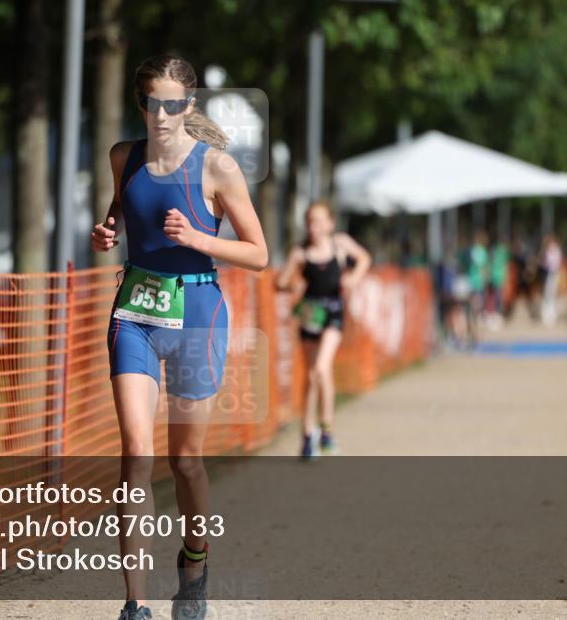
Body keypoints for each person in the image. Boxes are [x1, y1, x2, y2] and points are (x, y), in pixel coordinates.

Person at [91, 54, 268, 620]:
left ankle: (194, 566)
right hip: (137, 312)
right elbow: (123, 210)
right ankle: (134, 605)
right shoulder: (124, 157)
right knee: (136, 454)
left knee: (184, 461)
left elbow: (259, 254)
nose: (161, 114)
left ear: (188, 106)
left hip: (198, 312)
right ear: (139, 104)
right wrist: (108, 229)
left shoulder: (217, 168)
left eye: (172, 104)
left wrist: (199, 238)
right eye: (151, 103)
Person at [275, 201, 371, 459]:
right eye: (309, 222)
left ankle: (326, 429)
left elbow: (364, 258)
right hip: (309, 314)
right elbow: (280, 281)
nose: (313, 227)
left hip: (334, 314)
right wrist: (292, 285)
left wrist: (353, 277)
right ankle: (308, 434)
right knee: (311, 375)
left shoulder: (340, 244)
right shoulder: (300, 252)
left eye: (318, 221)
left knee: (321, 368)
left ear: (330, 223)